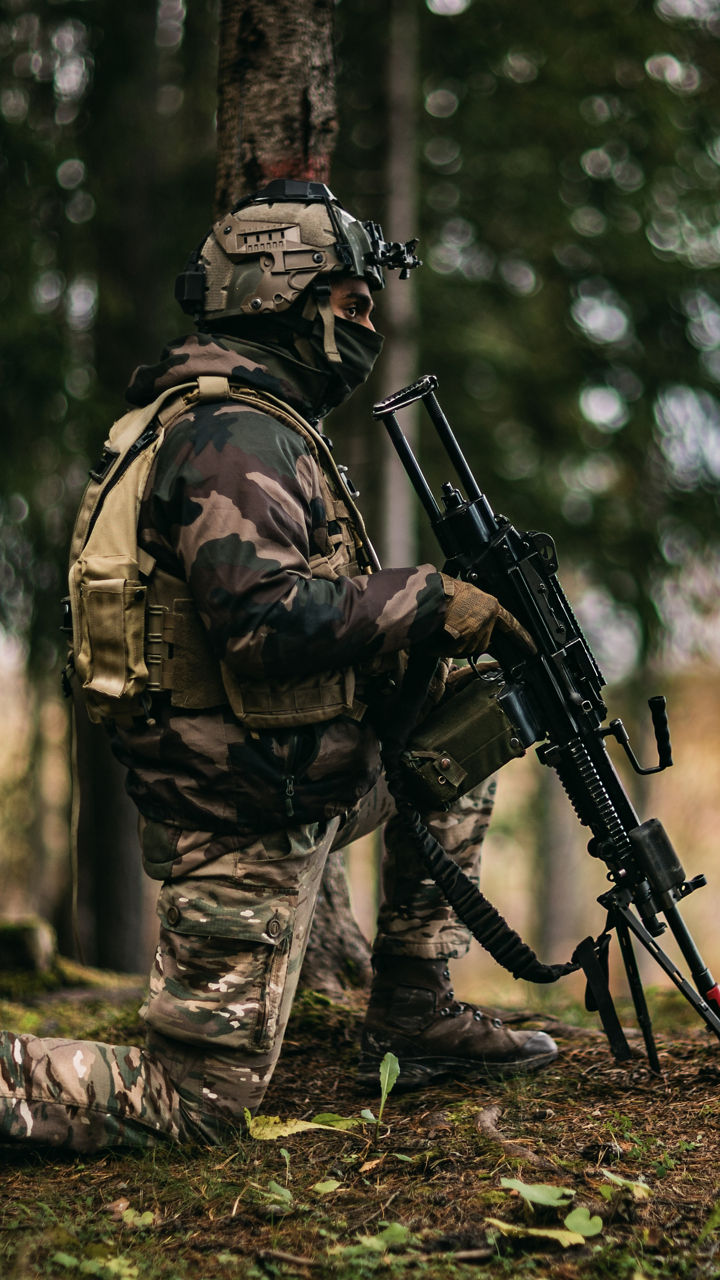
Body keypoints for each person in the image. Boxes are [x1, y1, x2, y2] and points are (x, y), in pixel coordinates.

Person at [0, 179, 557, 1152]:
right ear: (283, 294)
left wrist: (420, 650)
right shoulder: (231, 435)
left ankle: (414, 1010)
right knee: (197, 1099)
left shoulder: (261, 421)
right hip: (239, 813)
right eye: (352, 300)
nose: (369, 320)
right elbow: (263, 625)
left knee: (466, 732)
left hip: (298, 773)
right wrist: (426, 599)